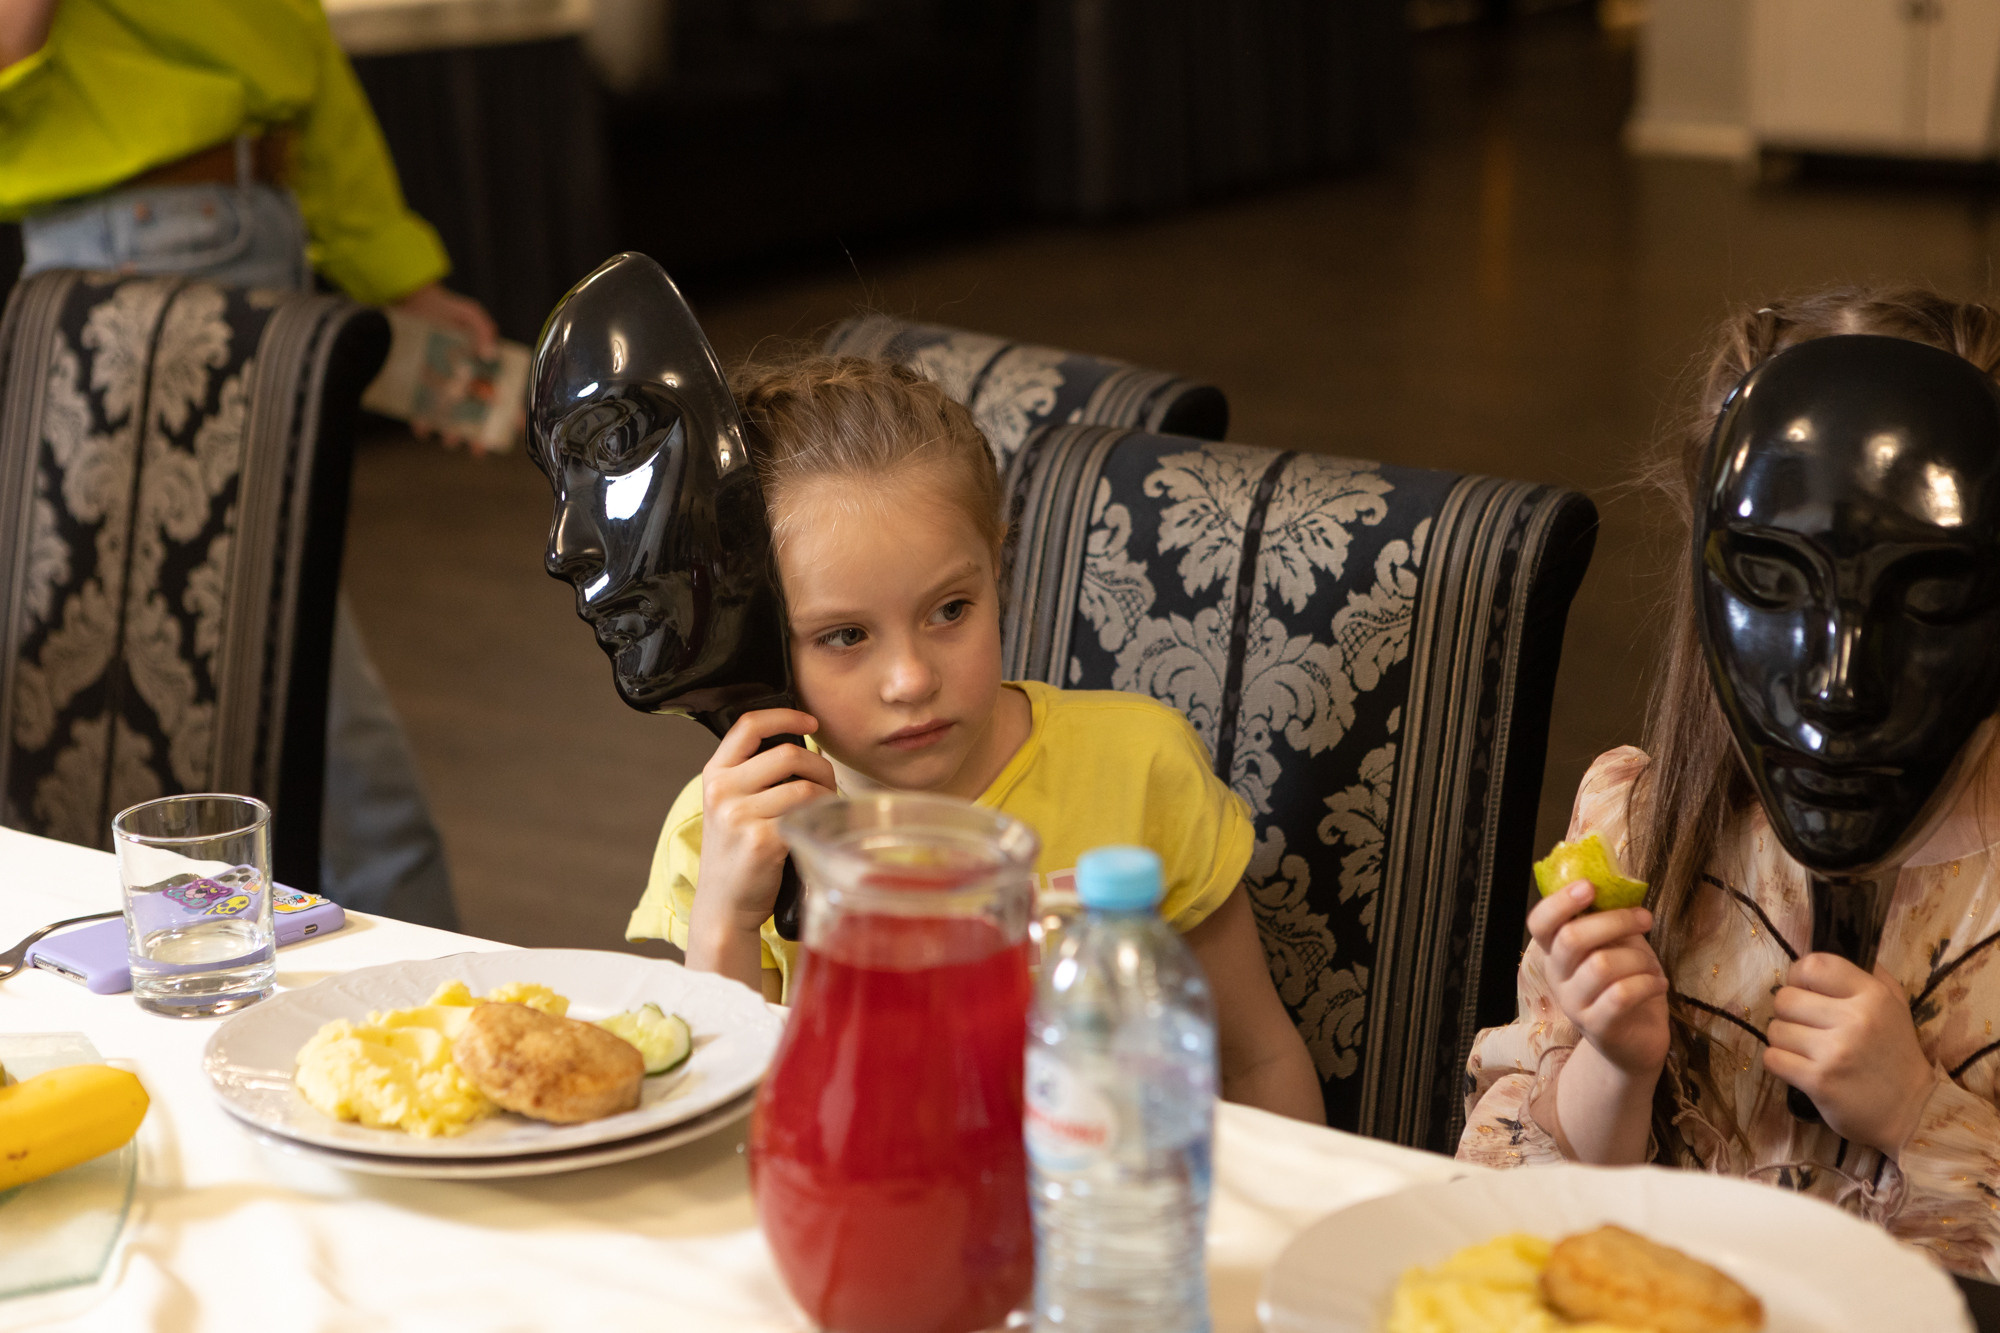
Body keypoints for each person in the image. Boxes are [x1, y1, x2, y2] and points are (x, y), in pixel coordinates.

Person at [624, 356, 1326, 1123]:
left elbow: (1257, 1059)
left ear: (997, 565)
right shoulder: (730, 832)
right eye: (845, 635)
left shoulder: (1141, 769)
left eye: (950, 609)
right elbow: (726, 1123)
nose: (911, 678)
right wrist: (726, 919)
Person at [1459, 287, 2000, 1278]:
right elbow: (1491, 1217)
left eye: (1929, 592)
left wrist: (1923, 1116)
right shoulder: (1638, 829)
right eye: (1773, 579)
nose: (1837, 685)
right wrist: (1610, 1067)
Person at [0, 0, 489, 927]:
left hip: (248, 220)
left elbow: (292, 37)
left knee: (263, 714)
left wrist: (396, 269)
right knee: (293, 735)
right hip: (146, 242)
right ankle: (433, 999)